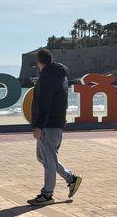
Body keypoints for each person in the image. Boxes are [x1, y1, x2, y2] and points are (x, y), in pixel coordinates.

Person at [28, 48, 82, 205]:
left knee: (49, 160)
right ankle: (71, 179)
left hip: (49, 125)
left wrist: (38, 125)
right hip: (55, 123)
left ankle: (47, 194)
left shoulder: (47, 77)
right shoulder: (58, 76)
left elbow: (45, 103)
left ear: (39, 62)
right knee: (43, 157)